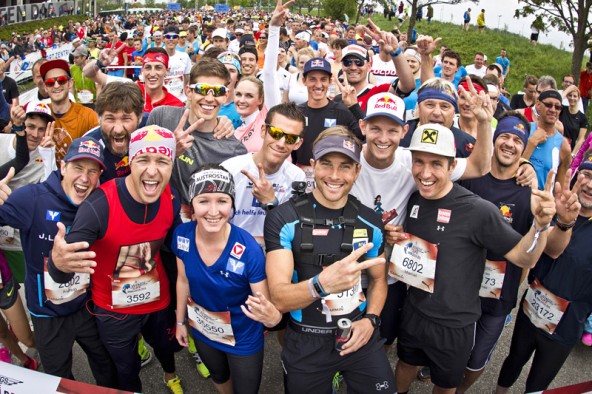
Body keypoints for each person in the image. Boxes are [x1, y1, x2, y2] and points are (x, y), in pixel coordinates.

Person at [393, 121, 557, 394]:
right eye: (418, 161)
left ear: (451, 166)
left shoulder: (479, 210)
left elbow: (524, 258)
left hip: (454, 324)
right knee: (405, 364)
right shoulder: (415, 200)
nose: (425, 172)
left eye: (436, 163)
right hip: (415, 311)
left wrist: (540, 227)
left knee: (445, 386)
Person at [48, 125, 185, 394]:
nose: (152, 170)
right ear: (130, 162)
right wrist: (58, 262)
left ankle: (170, 375)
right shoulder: (99, 205)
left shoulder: (170, 196)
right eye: (144, 159)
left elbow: (177, 247)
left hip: (158, 300)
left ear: (171, 165)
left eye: (162, 161)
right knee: (126, 369)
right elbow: (63, 270)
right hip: (115, 311)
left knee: (166, 348)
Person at [265, 128, 396, 393]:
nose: (335, 176)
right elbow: (278, 298)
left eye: (345, 167)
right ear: (313, 166)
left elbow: (379, 279)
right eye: (326, 164)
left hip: (358, 333)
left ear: (357, 172)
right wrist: (321, 284)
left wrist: (370, 319)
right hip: (306, 339)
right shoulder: (283, 218)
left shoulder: (370, 221)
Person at [0, 134, 119, 385]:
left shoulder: (99, 202)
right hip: (48, 315)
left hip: (86, 307)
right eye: (77, 167)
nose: (85, 178)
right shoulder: (32, 198)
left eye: (93, 171)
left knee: (105, 363)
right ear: (62, 167)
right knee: (59, 379)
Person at [173, 164, 282, 394]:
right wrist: (180, 322)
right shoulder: (181, 236)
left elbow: (267, 308)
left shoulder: (248, 249)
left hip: (243, 337)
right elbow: (183, 280)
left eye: (222, 201)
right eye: (203, 201)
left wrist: (273, 318)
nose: (213, 211)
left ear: (232, 204)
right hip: (203, 330)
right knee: (219, 376)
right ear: (191, 203)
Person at [454, 113, 539, 393]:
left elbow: (532, 250)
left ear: (523, 147)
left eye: (517, 140)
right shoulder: (471, 177)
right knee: (449, 348)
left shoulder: (529, 193)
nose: (510, 144)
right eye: (504, 136)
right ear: (494, 138)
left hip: (498, 298)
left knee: (477, 360)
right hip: (459, 288)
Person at [496, 152, 588, 394]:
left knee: (537, 384)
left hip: (566, 326)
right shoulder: (555, 206)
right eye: (587, 175)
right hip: (531, 308)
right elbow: (546, 249)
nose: (589, 185)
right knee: (512, 361)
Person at [222, 102, 305, 246]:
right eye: (276, 133)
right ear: (263, 131)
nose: (281, 143)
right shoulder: (230, 169)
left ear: (298, 144)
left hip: (274, 251)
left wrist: (270, 203)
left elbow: (294, 231)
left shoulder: (297, 177)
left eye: (291, 138)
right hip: (229, 246)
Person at [41, 59, 99, 162]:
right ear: (45, 87)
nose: (56, 85)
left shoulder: (88, 116)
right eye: (50, 82)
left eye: (61, 80)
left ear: (70, 83)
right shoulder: (40, 113)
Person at [522, 90, 571, 189]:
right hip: (516, 194)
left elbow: (558, 189)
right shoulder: (524, 129)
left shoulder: (564, 146)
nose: (553, 110)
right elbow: (510, 168)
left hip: (541, 201)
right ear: (538, 105)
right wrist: (531, 143)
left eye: (557, 107)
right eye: (548, 105)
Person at [559, 84, 588, 152]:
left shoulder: (582, 118)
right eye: (570, 95)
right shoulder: (562, 109)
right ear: (567, 97)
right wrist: (567, 90)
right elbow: (556, 101)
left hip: (569, 150)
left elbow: (581, 139)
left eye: (575, 96)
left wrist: (573, 154)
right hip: (557, 144)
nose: (572, 98)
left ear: (578, 98)